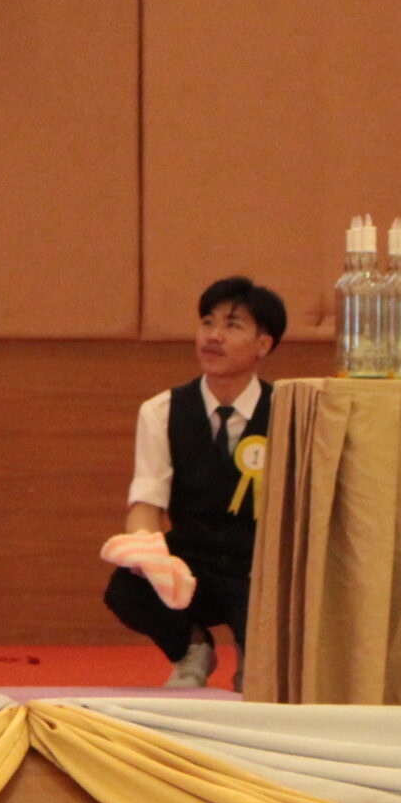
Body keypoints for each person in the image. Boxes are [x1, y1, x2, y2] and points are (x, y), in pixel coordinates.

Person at [102, 277, 287, 691]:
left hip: (258, 564)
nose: (213, 336)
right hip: (192, 559)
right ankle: (192, 649)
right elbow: (147, 501)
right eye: (207, 322)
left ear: (263, 344)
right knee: (126, 587)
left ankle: (253, 657)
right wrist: (145, 552)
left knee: (257, 685)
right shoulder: (161, 410)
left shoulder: (288, 411)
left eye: (232, 325)